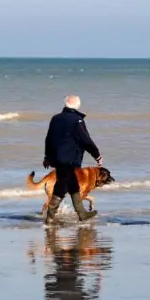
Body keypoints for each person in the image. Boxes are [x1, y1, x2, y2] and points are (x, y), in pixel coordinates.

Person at [43, 95, 104, 224]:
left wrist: (47, 157)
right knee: (61, 186)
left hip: (57, 158)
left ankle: (82, 214)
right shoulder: (77, 121)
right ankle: (50, 217)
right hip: (69, 159)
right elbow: (86, 140)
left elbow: (49, 139)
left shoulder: (55, 118)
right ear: (77, 105)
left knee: (73, 184)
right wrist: (97, 155)